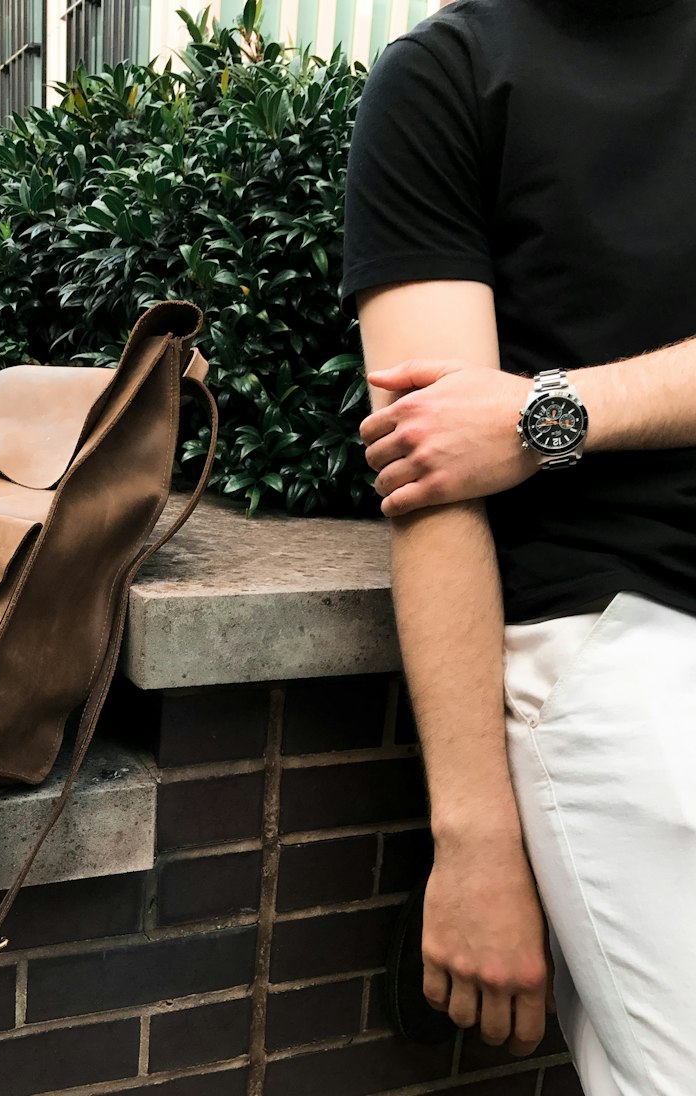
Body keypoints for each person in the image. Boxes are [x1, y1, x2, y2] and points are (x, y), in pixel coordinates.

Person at [342, 1, 696, 1093]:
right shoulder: (448, 77)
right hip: (628, 641)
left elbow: (491, 428)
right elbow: (431, 468)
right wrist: (476, 836)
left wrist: (554, 412)